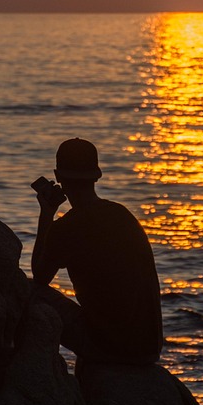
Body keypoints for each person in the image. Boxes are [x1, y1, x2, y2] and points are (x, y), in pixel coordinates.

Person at [31, 138, 164, 366]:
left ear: (58, 175)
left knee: (28, 291)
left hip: (111, 350)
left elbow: (40, 277)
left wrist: (46, 215)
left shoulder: (66, 228)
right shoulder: (123, 215)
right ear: (97, 176)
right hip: (150, 348)